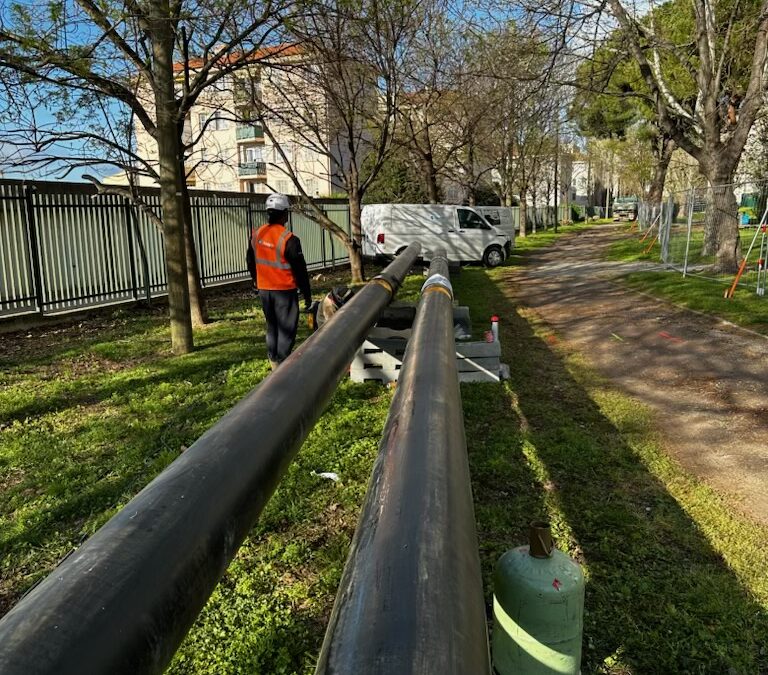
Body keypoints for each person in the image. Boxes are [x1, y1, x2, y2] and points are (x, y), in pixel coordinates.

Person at [247, 193, 311, 370]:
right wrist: (307, 294)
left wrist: (255, 281)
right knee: (286, 329)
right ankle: (282, 365)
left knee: (272, 326)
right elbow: (300, 270)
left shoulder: (257, 235)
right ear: (285, 214)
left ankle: (273, 360)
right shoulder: (289, 239)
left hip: (265, 290)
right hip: (284, 291)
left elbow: (250, 261)